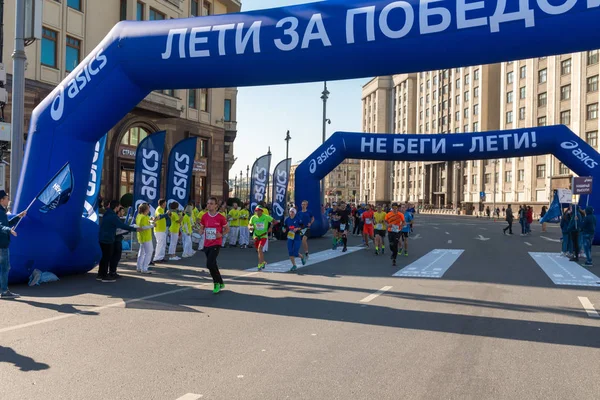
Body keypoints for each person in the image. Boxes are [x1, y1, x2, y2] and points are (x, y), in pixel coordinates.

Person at [98, 200, 139, 282]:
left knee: (103, 258)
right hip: (108, 239)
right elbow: (121, 225)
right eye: (119, 207)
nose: (119, 209)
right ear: (116, 207)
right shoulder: (113, 216)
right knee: (107, 257)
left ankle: (100, 274)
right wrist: (135, 229)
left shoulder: (107, 213)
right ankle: (105, 276)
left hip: (103, 237)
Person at [198, 197, 229, 294]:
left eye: (211, 203)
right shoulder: (204, 216)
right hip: (207, 243)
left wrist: (221, 234)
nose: (209, 205)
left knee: (209, 264)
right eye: (208, 203)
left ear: (216, 205)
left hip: (216, 243)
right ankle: (220, 282)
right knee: (213, 264)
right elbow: (202, 226)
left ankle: (216, 283)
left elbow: (227, 229)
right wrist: (201, 230)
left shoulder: (220, 217)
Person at [0, 190, 26, 299]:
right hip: (2, 246)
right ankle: (4, 291)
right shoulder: (0, 212)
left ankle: (4, 290)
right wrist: (9, 230)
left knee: (5, 268)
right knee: (5, 268)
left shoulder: (2, 211)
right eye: (6, 198)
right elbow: (1, 226)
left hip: (3, 244)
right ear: (1, 200)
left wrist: (18, 216)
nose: (8, 200)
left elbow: (7, 223)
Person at [110, 205, 128, 278]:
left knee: (116, 257)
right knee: (115, 257)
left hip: (117, 239)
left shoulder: (118, 219)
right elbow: (118, 231)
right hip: (116, 240)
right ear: (119, 211)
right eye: (122, 211)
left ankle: (113, 271)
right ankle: (112, 272)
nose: (123, 212)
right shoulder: (116, 219)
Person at [135, 203, 154, 274]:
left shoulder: (139, 216)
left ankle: (139, 267)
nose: (149, 210)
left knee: (142, 252)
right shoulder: (144, 217)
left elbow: (148, 221)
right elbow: (144, 227)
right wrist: (153, 225)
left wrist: (152, 221)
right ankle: (144, 268)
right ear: (146, 210)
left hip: (141, 237)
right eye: (148, 208)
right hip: (146, 237)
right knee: (149, 252)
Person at [153, 199, 170, 263]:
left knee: (163, 244)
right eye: (164, 204)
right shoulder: (159, 209)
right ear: (162, 204)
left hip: (162, 230)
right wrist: (166, 214)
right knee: (160, 244)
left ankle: (161, 257)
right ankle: (156, 258)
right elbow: (159, 216)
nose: (165, 205)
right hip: (159, 230)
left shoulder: (162, 209)